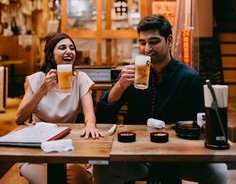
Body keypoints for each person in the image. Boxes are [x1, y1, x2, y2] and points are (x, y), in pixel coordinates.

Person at [94, 14, 227, 184]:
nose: (147, 48)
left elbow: (197, 122)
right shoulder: (131, 74)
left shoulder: (188, 77)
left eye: (154, 41)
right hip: (137, 153)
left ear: (169, 40)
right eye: (142, 43)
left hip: (178, 154)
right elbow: (103, 114)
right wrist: (120, 85)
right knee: (102, 167)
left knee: (218, 171)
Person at [15, 32, 103, 184]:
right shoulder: (37, 79)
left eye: (71, 48)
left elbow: (89, 114)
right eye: (62, 48)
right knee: (54, 180)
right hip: (38, 149)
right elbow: (19, 118)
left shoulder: (81, 78)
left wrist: (90, 125)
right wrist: (42, 89)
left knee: (80, 179)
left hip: (69, 147)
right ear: (51, 55)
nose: (69, 51)